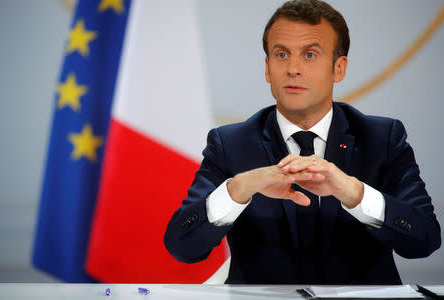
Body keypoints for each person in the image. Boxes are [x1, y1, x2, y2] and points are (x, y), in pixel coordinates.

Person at [164, 0, 441, 284]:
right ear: (267, 68)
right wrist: (238, 189)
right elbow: (182, 247)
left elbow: (424, 241)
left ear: (339, 68)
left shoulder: (382, 139)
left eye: (310, 55)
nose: (293, 68)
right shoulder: (231, 144)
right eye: (281, 55)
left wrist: (354, 193)